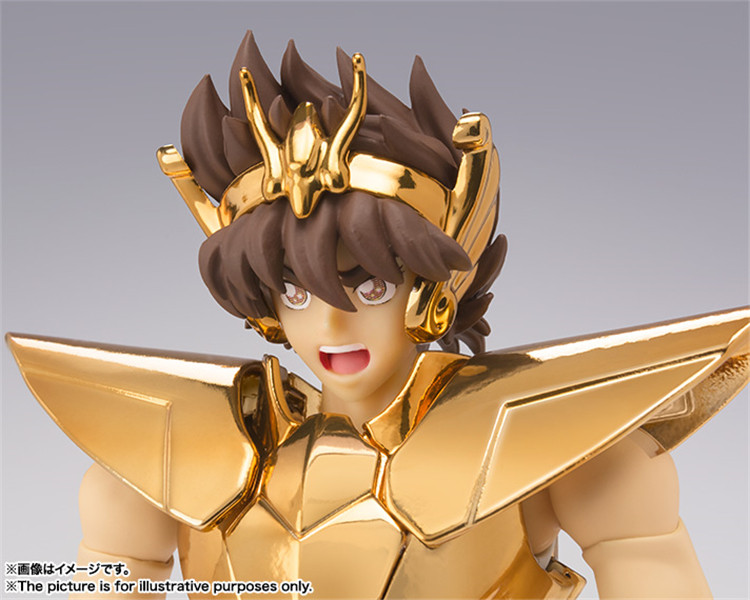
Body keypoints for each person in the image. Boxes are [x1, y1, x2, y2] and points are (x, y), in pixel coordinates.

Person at [7, 32, 748, 599]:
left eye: (368, 289)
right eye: (298, 292)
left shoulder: (573, 458)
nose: (331, 328)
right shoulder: (158, 463)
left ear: (429, 289)